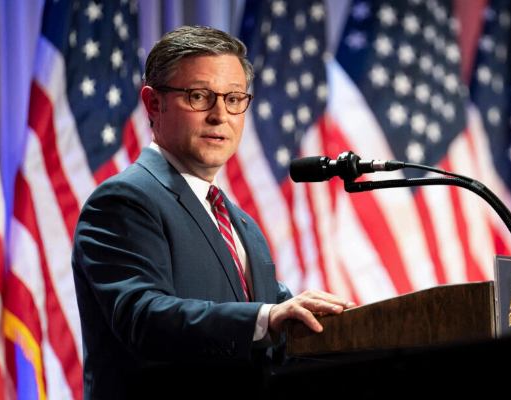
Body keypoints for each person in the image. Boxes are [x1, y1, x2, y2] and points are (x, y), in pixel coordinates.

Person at [71, 25, 355, 399]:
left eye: (235, 98)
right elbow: (144, 318)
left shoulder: (241, 224)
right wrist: (269, 317)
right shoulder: (124, 201)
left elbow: (273, 337)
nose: (220, 115)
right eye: (199, 96)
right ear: (154, 104)